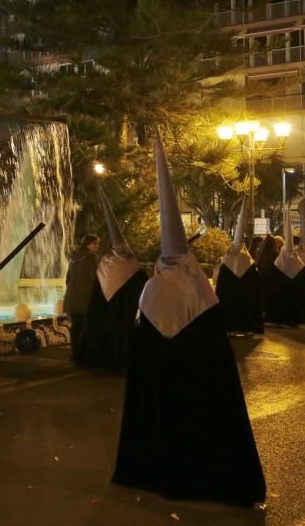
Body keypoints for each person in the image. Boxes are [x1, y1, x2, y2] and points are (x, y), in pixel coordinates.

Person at [113, 132, 265, 507]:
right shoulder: (201, 291)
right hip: (198, 389)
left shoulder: (151, 290)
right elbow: (217, 358)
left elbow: (142, 349)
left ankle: (153, 470)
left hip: (161, 391)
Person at [76, 185, 146, 370]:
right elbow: (142, 287)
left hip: (102, 316)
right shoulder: (132, 266)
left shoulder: (105, 264)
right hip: (124, 316)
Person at [213, 198, 262, 335]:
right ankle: (246, 328)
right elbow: (256, 282)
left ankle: (229, 328)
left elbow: (221, 284)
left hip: (229, 297)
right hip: (245, 297)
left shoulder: (227, 259)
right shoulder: (248, 260)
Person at [64, 233, 100, 362]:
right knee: (87, 326)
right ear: (88, 244)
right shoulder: (91, 258)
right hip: (85, 298)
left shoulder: (74, 258)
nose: (97, 246)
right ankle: (84, 353)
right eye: (95, 243)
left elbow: (67, 279)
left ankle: (75, 351)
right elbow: (96, 278)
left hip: (72, 297)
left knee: (76, 325)